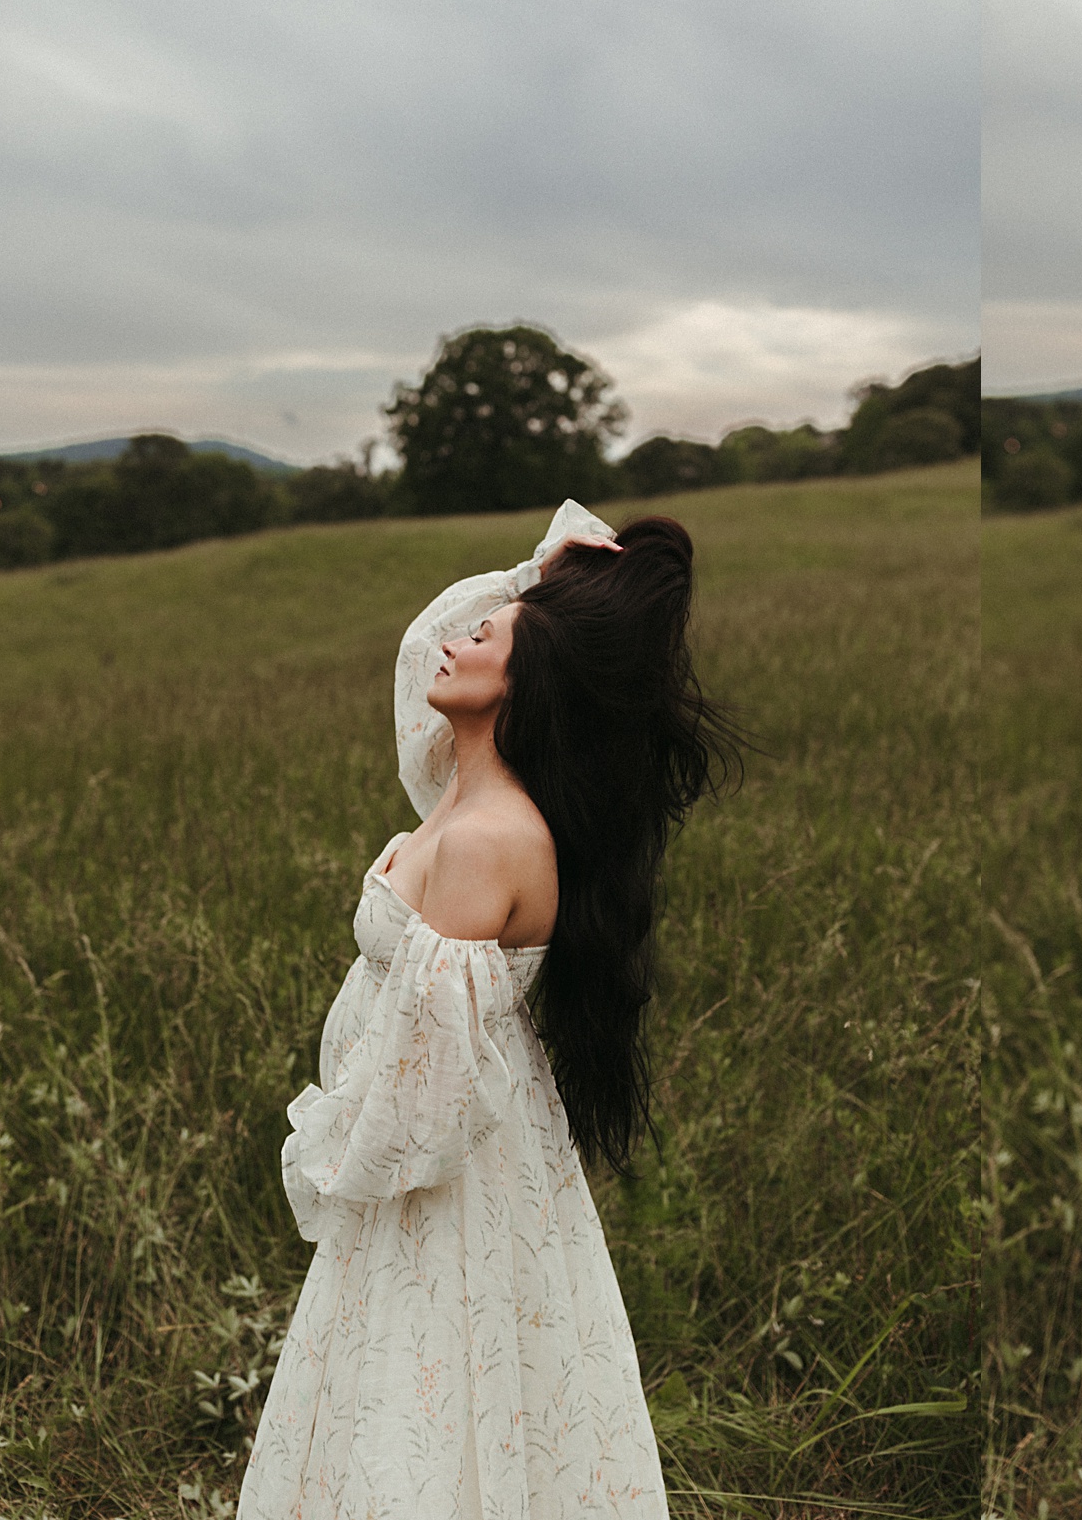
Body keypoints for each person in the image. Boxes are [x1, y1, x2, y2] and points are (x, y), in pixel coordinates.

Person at [241, 501, 736, 1518]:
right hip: (461, 1154)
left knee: (435, 1396)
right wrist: (530, 574)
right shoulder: (461, 793)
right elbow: (423, 649)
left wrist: (331, 1154)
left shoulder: (487, 838)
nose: (457, 637)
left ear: (527, 682)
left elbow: (424, 1096)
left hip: (447, 1174)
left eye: (488, 635)